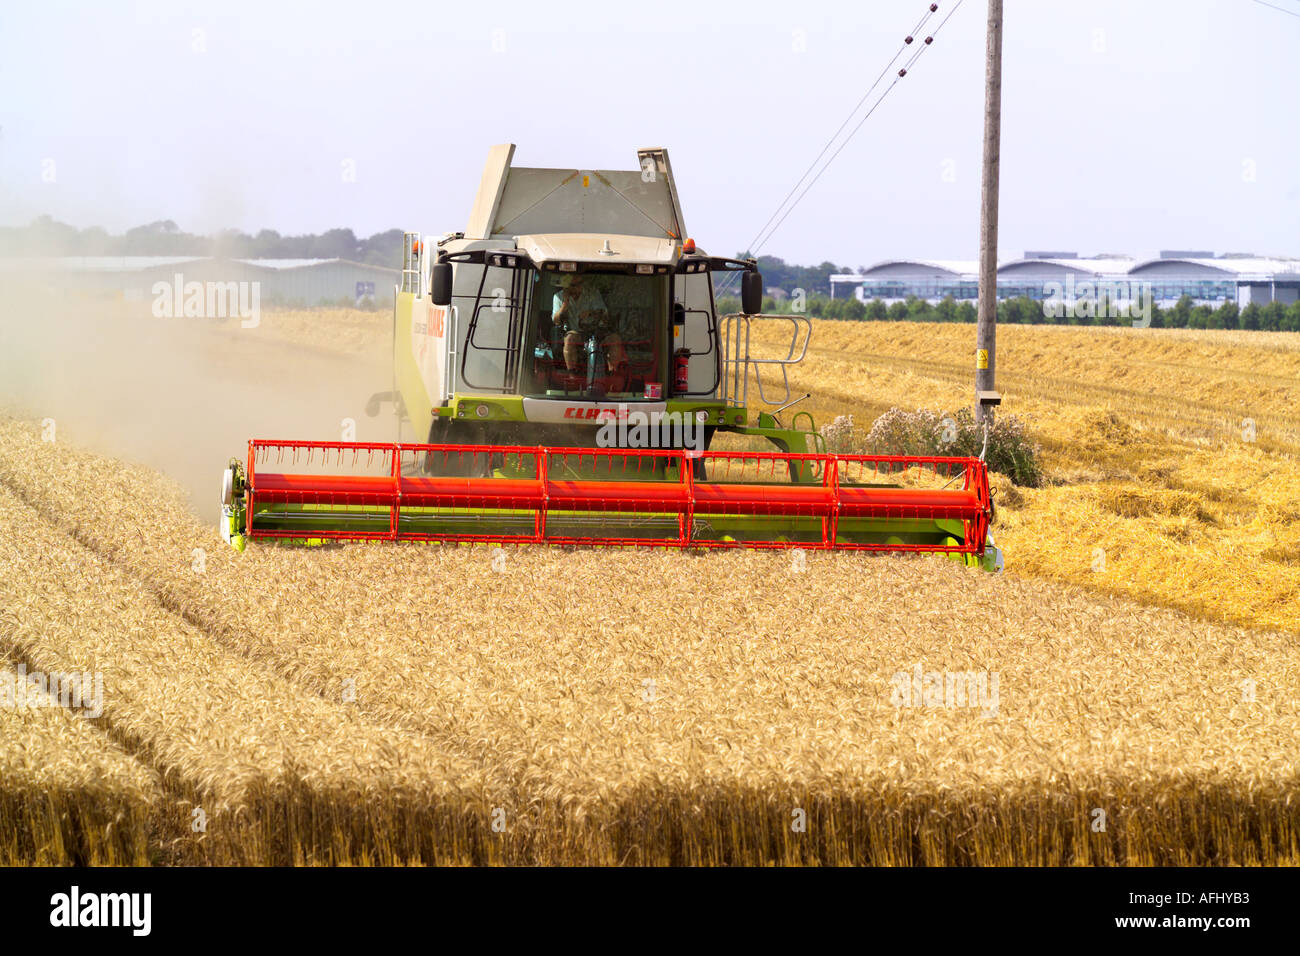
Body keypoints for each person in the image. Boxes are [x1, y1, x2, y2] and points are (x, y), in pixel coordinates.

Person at [552, 274, 627, 381]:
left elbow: (605, 315)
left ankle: (612, 374)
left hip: (597, 332)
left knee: (615, 339)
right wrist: (565, 305)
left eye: (579, 284)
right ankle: (572, 375)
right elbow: (555, 321)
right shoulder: (558, 297)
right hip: (575, 333)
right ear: (566, 287)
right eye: (573, 285)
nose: (578, 287)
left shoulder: (592, 293)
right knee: (569, 339)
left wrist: (591, 313)